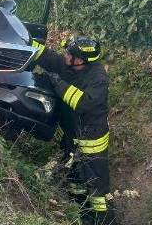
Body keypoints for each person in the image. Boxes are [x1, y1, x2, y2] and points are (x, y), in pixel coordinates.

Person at [31, 37, 115, 225]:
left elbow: (82, 103)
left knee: (97, 189)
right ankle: (82, 215)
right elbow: (46, 56)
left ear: (80, 60)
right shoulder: (67, 65)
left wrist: (58, 83)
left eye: (69, 53)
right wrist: (24, 38)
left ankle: (105, 221)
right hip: (72, 136)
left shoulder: (98, 78)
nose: (65, 55)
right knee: (75, 180)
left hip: (91, 141)